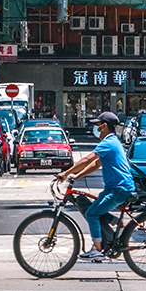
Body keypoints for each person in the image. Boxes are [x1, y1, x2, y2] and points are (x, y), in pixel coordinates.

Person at [56, 111, 136, 262]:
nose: (96, 129)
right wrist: (77, 176)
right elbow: (96, 164)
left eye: (98, 125)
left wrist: (66, 173)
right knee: (97, 208)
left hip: (119, 188)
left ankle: (97, 250)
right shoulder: (113, 142)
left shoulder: (108, 142)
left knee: (92, 214)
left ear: (104, 126)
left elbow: (88, 159)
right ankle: (117, 222)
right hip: (114, 188)